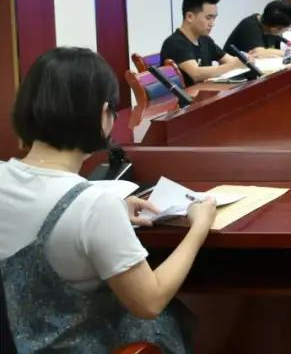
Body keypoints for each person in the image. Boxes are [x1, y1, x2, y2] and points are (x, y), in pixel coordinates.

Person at [0, 47, 218, 352]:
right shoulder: (94, 207)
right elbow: (150, 301)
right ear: (103, 114)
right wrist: (199, 227)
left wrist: (111, 213)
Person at [160, 0, 245, 85]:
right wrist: (233, 66)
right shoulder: (175, 43)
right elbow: (196, 74)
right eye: (208, 18)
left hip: (207, 92)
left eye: (214, 18)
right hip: (189, 95)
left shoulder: (205, 40)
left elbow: (230, 60)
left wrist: (248, 59)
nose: (212, 24)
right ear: (190, 17)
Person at [224, 0, 291, 58]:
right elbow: (260, 53)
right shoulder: (250, 26)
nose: (290, 27)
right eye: (288, 27)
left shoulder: (270, 25)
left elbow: (274, 51)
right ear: (274, 29)